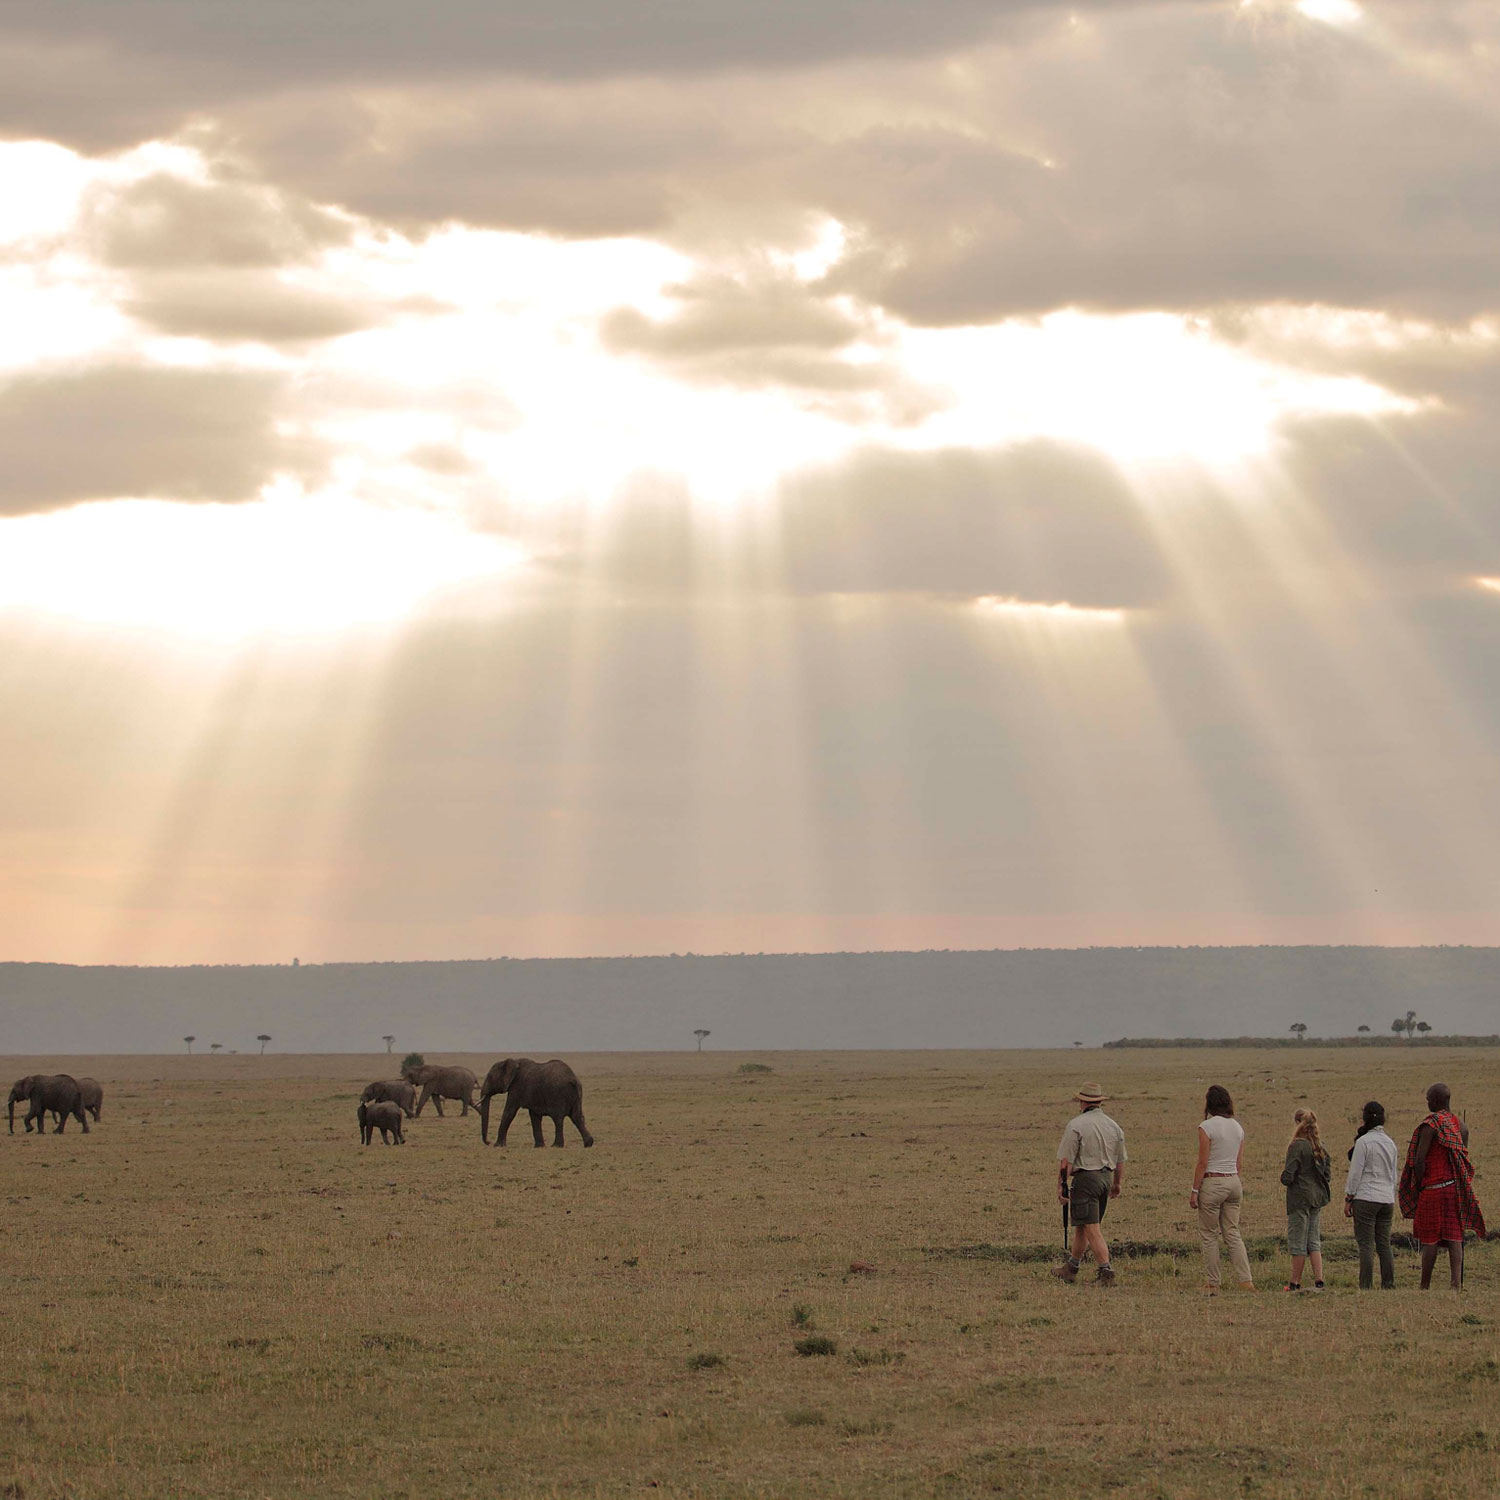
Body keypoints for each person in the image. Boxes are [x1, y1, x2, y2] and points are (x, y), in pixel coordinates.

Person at [1399, 1082, 1486, 1291]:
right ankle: (1456, 1284)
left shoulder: (1431, 1125)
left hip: (1433, 1189)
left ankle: (1424, 1285)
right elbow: (1461, 1161)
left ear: (1437, 1100)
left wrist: (1419, 1185)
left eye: (1429, 1098)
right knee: (1455, 1236)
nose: (1427, 1102)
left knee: (1430, 1238)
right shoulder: (1461, 1126)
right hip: (1454, 1188)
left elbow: (1419, 1161)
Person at [1054, 1082, 1126, 1286]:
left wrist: (1061, 1185)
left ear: (1082, 1101)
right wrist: (1117, 1184)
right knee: (1083, 1225)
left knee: (1091, 1228)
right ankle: (1071, 1267)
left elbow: (1065, 1162)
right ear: (1100, 1101)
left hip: (1086, 1179)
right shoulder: (1114, 1126)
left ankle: (1106, 1272)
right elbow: (1121, 1160)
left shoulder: (1076, 1125)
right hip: (1105, 1178)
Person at [1191, 1084, 1254, 1295]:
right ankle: (1246, 1281)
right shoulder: (1238, 1127)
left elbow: (1202, 1162)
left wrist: (1194, 1190)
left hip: (1213, 1182)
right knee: (1233, 1233)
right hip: (1234, 1183)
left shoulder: (1206, 1127)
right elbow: (1239, 1164)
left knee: (1209, 1235)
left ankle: (1213, 1283)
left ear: (1209, 1104)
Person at [1344, 1100, 1398, 1290]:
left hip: (1366, 1197)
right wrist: (1391, 1195)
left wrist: (1349, 1198)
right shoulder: (1391, 1143)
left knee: (1366, 1244)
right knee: (1384, 1244)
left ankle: (1366, 1285)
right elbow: (1394, 1175)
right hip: (1387, 1199)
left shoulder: (1363, 1142)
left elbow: (1355, 1173)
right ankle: (1388, 1284)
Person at [1280, 1107, 1331, 1291]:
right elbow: (1327, 1173)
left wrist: (1285, 1177)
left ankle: (1295, 1282)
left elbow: (1288, 1176)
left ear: (1297, 1124)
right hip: (1317, 1198)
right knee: (1313, 1240)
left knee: (1298, 1242)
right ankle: (1319, 1280)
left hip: (1299, 1198)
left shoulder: (1297, 1146)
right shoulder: (1319, 1145)